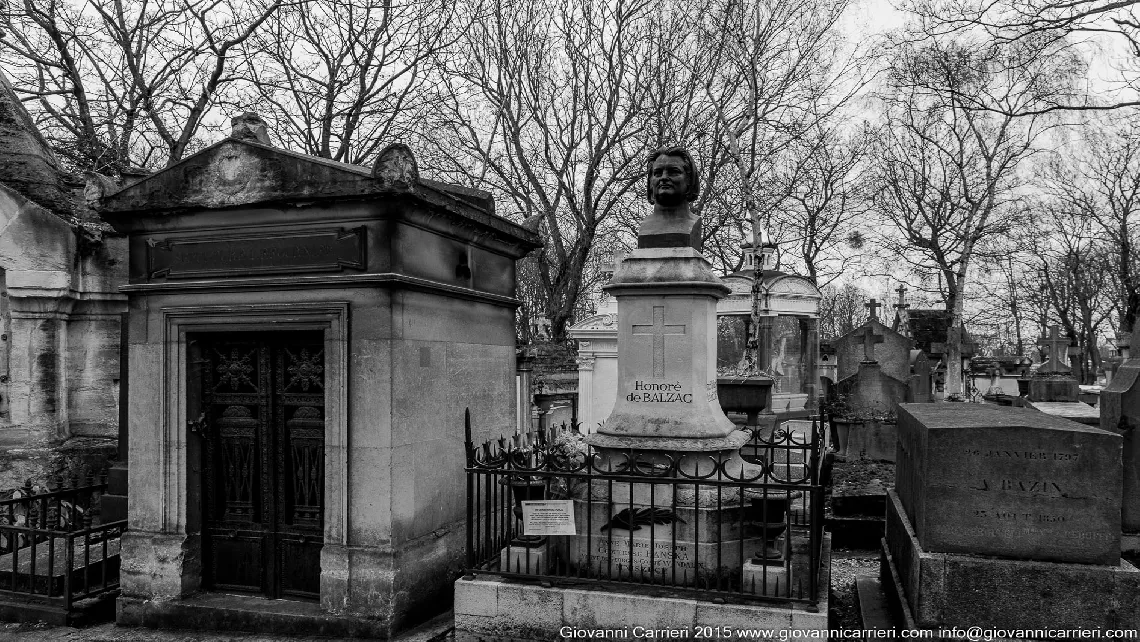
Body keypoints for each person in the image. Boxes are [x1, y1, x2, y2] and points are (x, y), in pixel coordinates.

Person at [639, 146, 702, 249]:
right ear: (650, 182)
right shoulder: (645, 227)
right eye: (658, 173)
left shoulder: (693, 225)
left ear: (689, 180)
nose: (664, 177)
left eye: (673, 172)